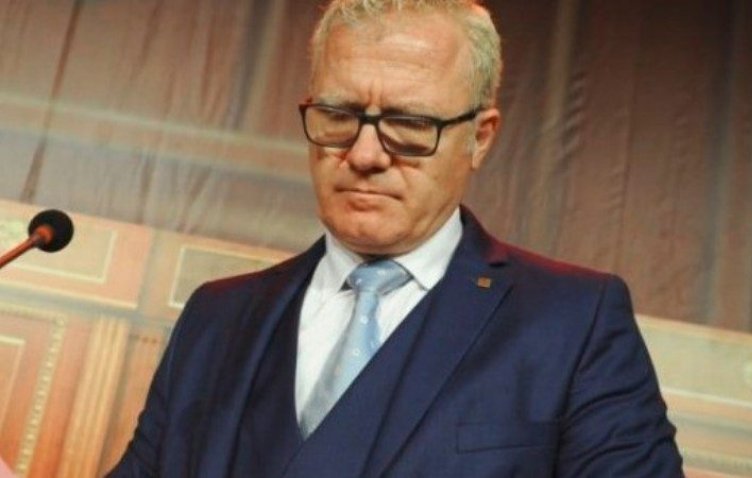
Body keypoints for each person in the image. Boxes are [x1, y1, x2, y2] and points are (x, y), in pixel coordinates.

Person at [108, 0, 683, 476]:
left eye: (410, 124)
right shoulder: (218, 317)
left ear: (480, 138)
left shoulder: (572, 323)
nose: (364, 154)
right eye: (339, 115)